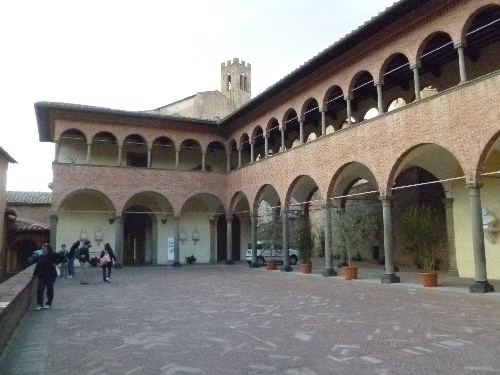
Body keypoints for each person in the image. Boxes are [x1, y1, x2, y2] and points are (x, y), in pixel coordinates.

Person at [33, 243, 60, 310]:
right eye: (42, 248)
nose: (43, 249)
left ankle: (48, 303)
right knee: (40, 289)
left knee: (49, 289)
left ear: (48, 249)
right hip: (42, 275)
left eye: (44, 248)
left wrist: (56, 262)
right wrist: (34, 274)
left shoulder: (52, 255)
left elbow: (62, 257)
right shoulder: (41, 256)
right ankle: (40, 304)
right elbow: (38, 265)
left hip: (51, 275)